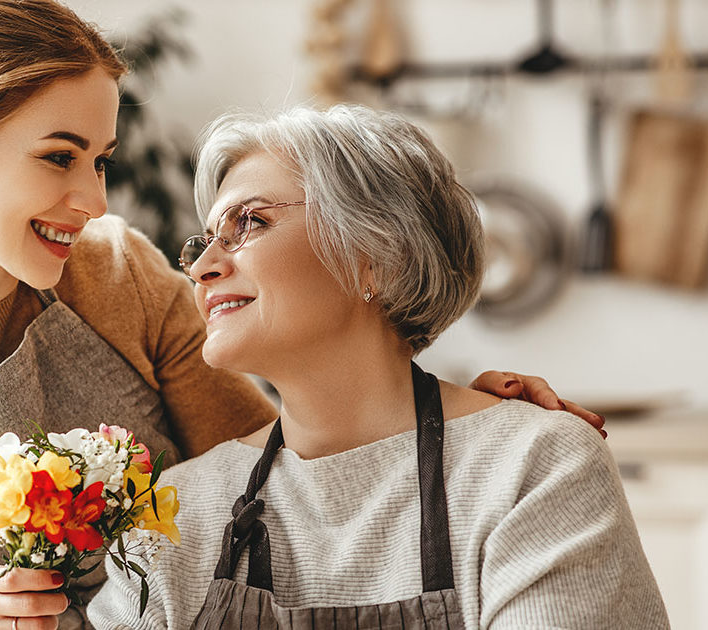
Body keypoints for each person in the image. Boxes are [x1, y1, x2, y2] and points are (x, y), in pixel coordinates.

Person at [0, 1, 604, 628]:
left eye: (101, 160)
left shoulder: (115, 276)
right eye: (59, 157)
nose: (92, 199)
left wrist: (464, 424)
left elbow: (290, 475)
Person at [87, 104, 666, 629]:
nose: (204, 266)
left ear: (379, 257)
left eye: (251, 223)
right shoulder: (175, 512)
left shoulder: (531, 467)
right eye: (206, 240)